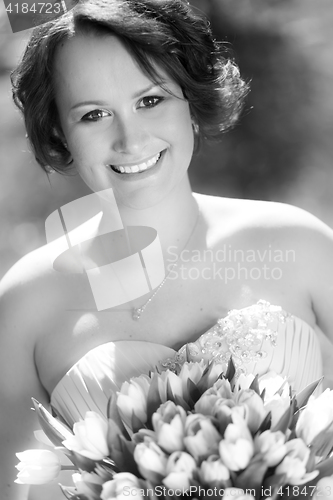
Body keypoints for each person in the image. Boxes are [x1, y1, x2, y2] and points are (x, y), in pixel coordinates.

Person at [1, 0, 333, 498]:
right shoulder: (25, 303)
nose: (130, 139)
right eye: (93, 115)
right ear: (60, 133)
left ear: (192, 102)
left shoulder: (300, 244)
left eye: (151, 101)